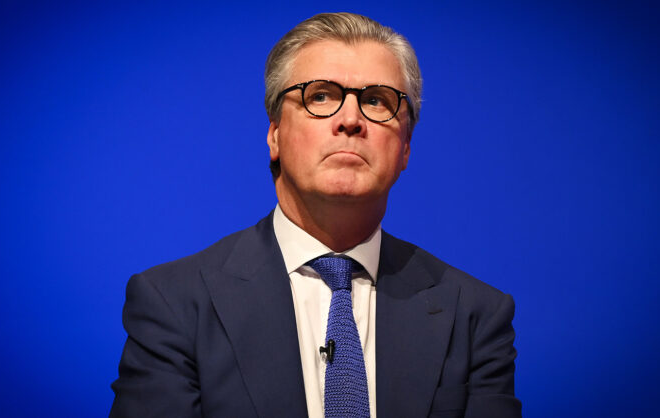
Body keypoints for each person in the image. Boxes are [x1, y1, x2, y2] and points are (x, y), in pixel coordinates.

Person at [110, 12, 520, 418]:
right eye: (320, 96)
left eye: (376, 100)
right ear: (275, 135)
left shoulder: (475, 315)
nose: (350, 120)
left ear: (406, 148)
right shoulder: (174, 304)